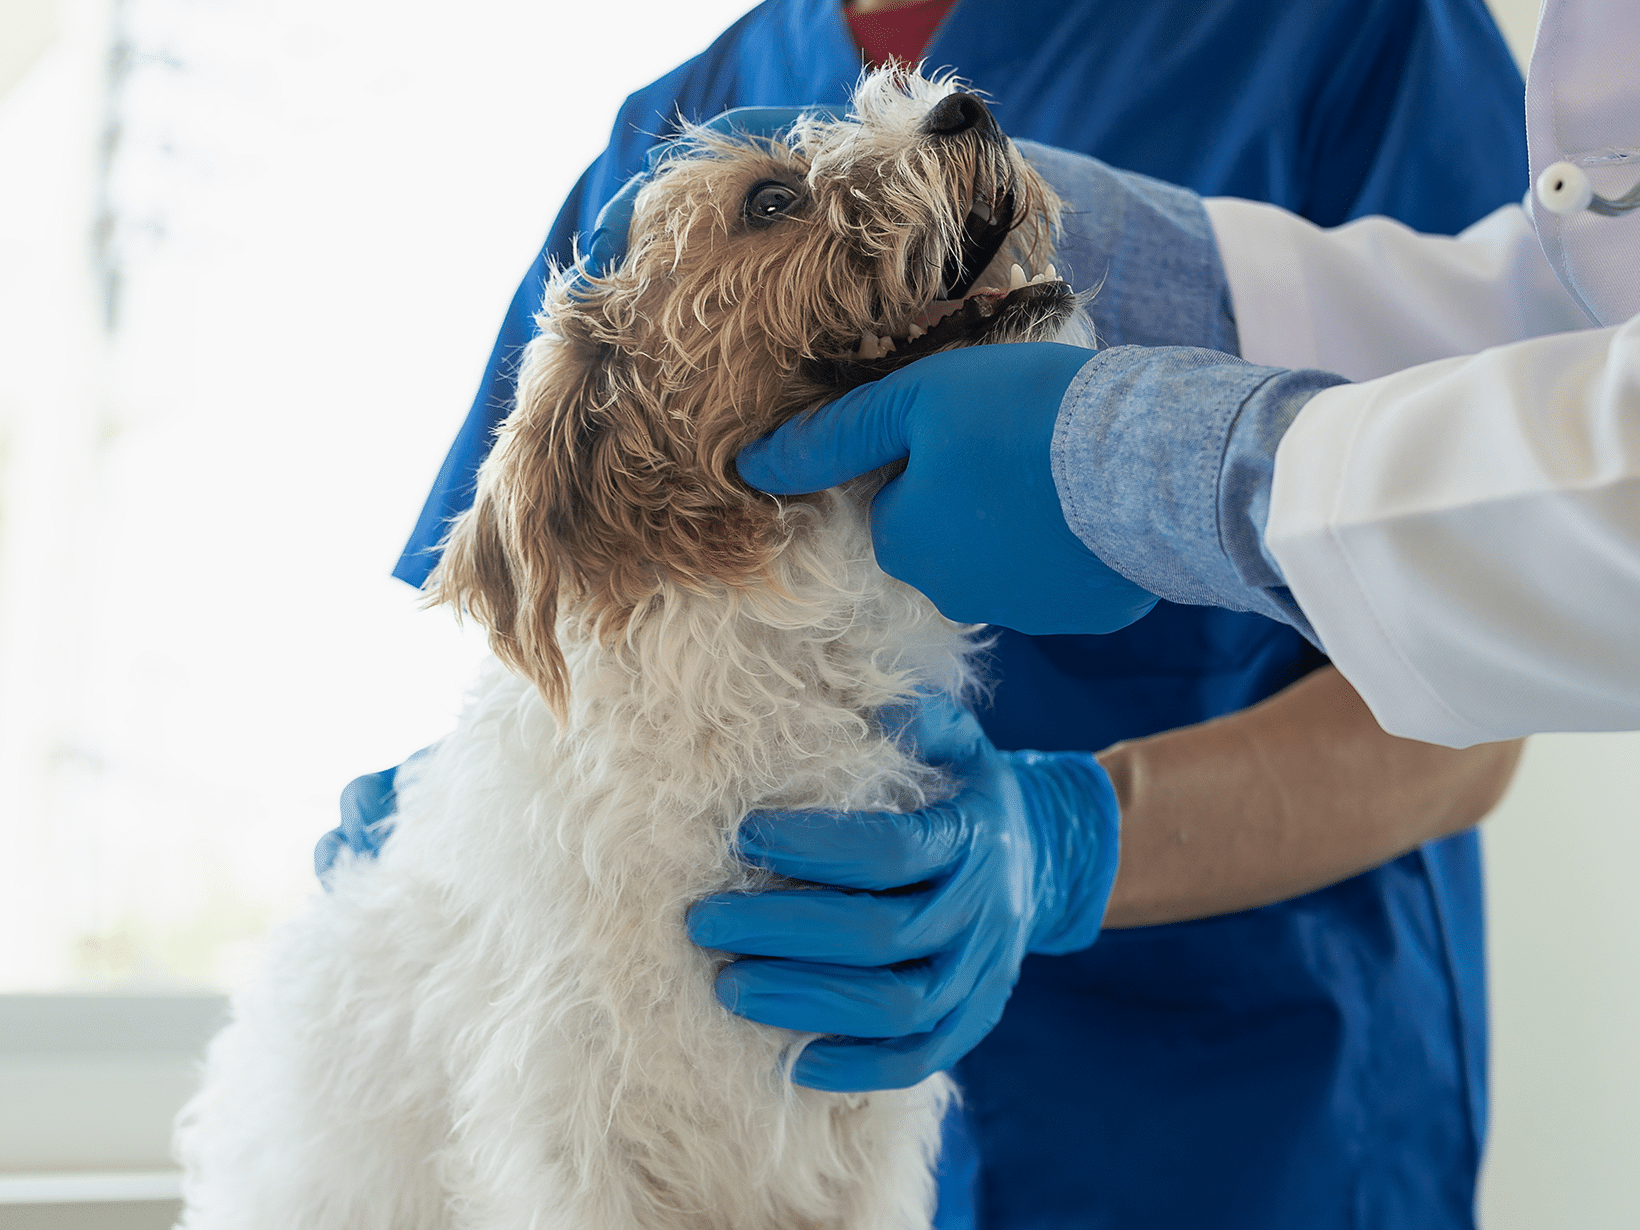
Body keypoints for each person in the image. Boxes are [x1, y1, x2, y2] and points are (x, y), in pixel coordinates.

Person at [333, 2, 1532, 1226]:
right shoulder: (676, 121)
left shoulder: (1356, 33)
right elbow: (538, 580)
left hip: (1245, 1106)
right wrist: (474, 833)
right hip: (754, 1085)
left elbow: (1498, 641)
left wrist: (1073, 840)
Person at [733, 0, 1640, 750]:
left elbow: (1496, 592)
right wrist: (1122, 245)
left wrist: (1157, 469)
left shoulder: (1357, 26)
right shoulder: (686, 104)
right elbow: (1525, 312)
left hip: (1262, 954)